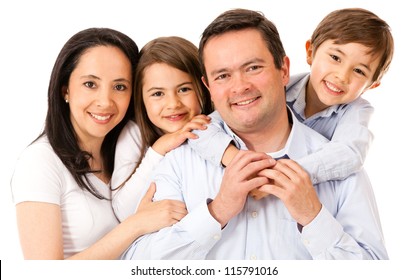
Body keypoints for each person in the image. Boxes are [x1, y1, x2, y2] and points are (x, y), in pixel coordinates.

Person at [121, 8, 388, 260]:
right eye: (223, 75)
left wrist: (313, 218)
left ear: (283, 70)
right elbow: (135, 266)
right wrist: (216, 212)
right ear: (209, 86)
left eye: (253, 68)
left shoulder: (341, 169)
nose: (240, 87)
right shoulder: (180, 160)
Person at [10, 28, 188, 259]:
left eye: (119, 87)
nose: (105, 101)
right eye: (90, 84)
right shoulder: (40, 162)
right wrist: (136, 224)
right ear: (65, 89)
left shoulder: (130, 150)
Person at [188, 7, 394, 200]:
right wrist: (234, 158)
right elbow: (203, 128)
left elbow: (350, 154)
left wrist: (279, 177)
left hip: (315, 192)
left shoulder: (357, 111)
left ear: (372, 85)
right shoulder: (278, 85)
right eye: (335, 57)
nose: (341, 76)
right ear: (310, 52)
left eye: (359, 71)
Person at [111, 36, 213, 222]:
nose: (173, 104)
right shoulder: (134, 134)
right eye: (158, 94)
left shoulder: (215, 126)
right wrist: (159, 149)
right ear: (140, 99)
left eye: (184, 89)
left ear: (203, 86)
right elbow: (122, 211)